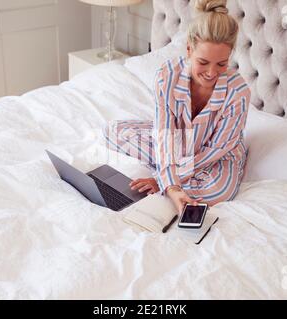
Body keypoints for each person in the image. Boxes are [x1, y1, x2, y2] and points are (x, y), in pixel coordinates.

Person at [104, 0, 251, 214]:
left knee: (221, 191)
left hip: (215, 157)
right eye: (203, 62)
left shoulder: (238, 92)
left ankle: (169, 171)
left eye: (221, 64)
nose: (211, 73)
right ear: (189, 50)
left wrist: (162, 180)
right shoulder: (167, 76)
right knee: (113, 131)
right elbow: (165, 136)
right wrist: (172, 186)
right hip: (177, 142)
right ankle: (172, 170)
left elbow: (216, 151)